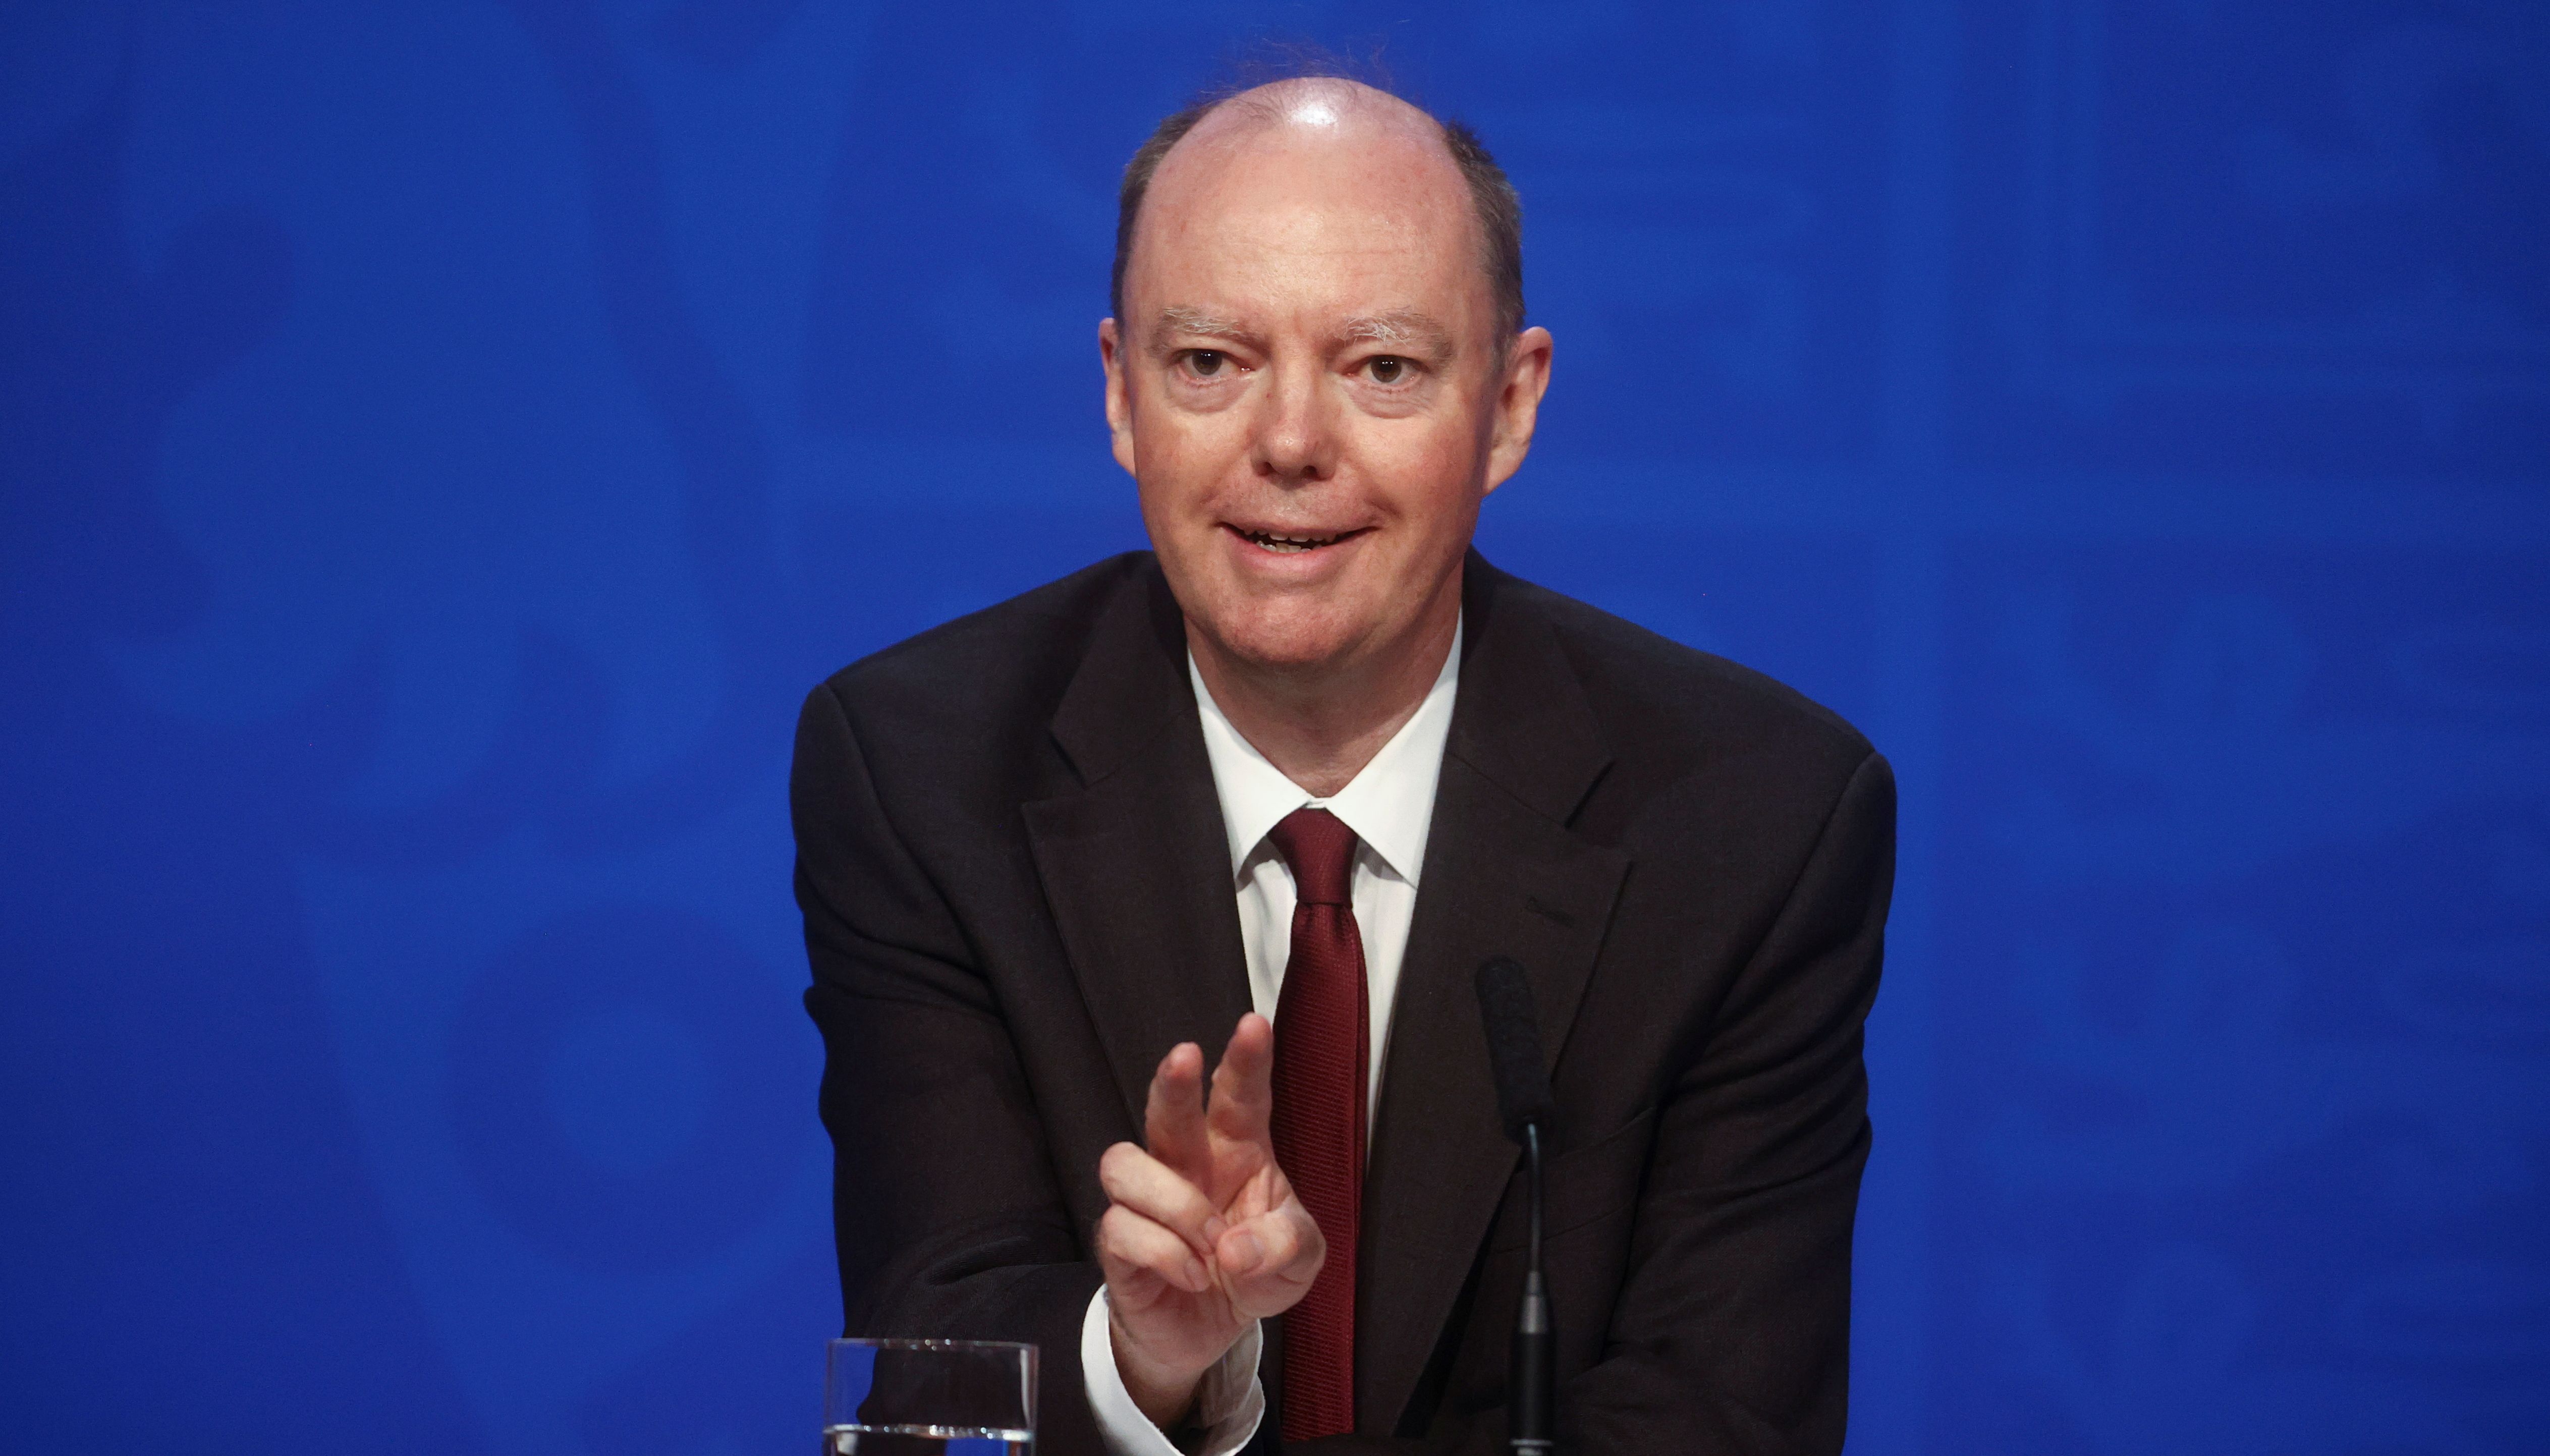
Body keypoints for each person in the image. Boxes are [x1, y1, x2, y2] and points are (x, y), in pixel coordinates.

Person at [793, 74, 1894, 1454]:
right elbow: (938, 1341)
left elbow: (1722, 1415)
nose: (1293, 444)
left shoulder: (1755, 821)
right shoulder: (921, 770)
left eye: (1382, 367)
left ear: (1508, 407)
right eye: (1210, 362)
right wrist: (1150, 1364)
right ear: (1123, 394)